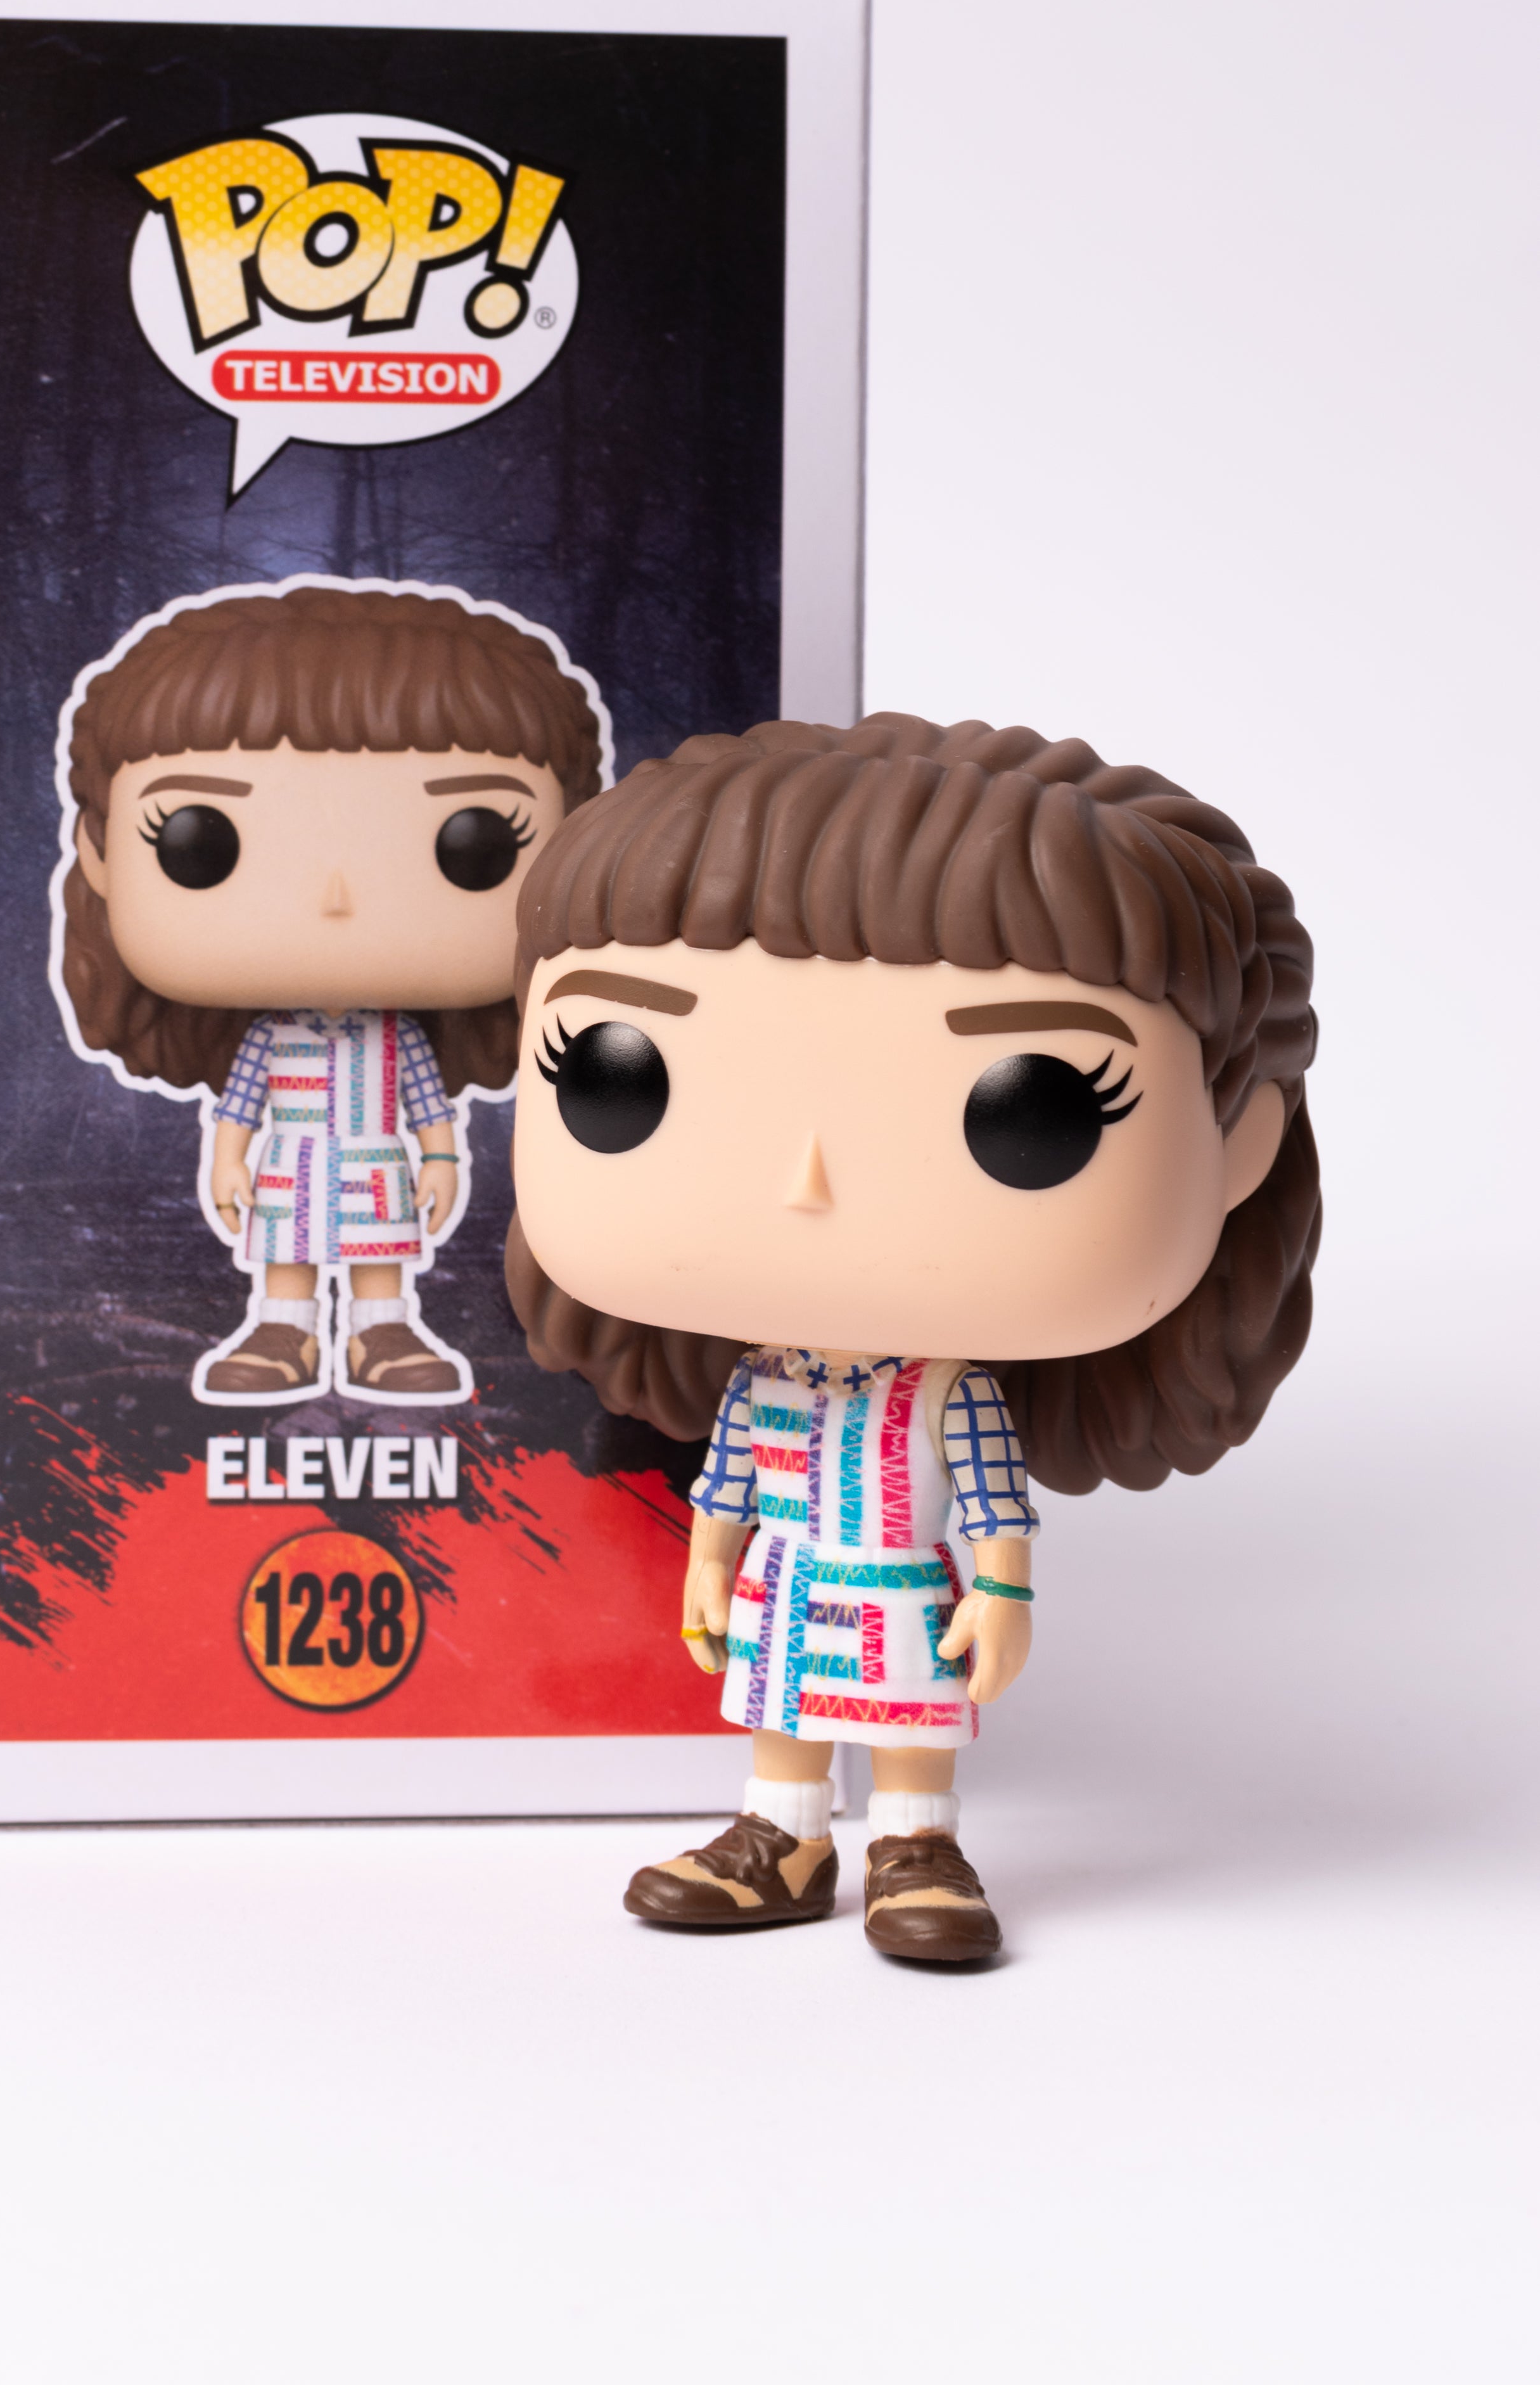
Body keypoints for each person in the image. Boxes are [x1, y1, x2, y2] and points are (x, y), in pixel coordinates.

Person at [506, 713, 1318, 1959]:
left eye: (1032, 1110)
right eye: (620, 1073)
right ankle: (779, 1835)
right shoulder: (766, 1380)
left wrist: (1002, 1591)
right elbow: (728, 1478)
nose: (809, 1183)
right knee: (781, 1705)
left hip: (898, 1583)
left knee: (911, 1714)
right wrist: (710, 1562)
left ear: (1236, 1154)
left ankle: (915, 1845)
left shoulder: (948, 1394)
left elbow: (991, 1499)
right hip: (789, 1577)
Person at [54, 578, 606, 1403]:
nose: (337, 898)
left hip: (377, 1161)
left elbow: (427, 1106)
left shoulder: (399, 1040)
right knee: (288, 1252)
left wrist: (442, 1160)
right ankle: (285, 1329)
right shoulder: (272, 1040)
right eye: (200, 841)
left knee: (380, 1254)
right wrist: (228, 1160)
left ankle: (382, 1331)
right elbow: (242, 1104)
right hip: (292, 1162)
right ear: (99, 856)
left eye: (476, 842)